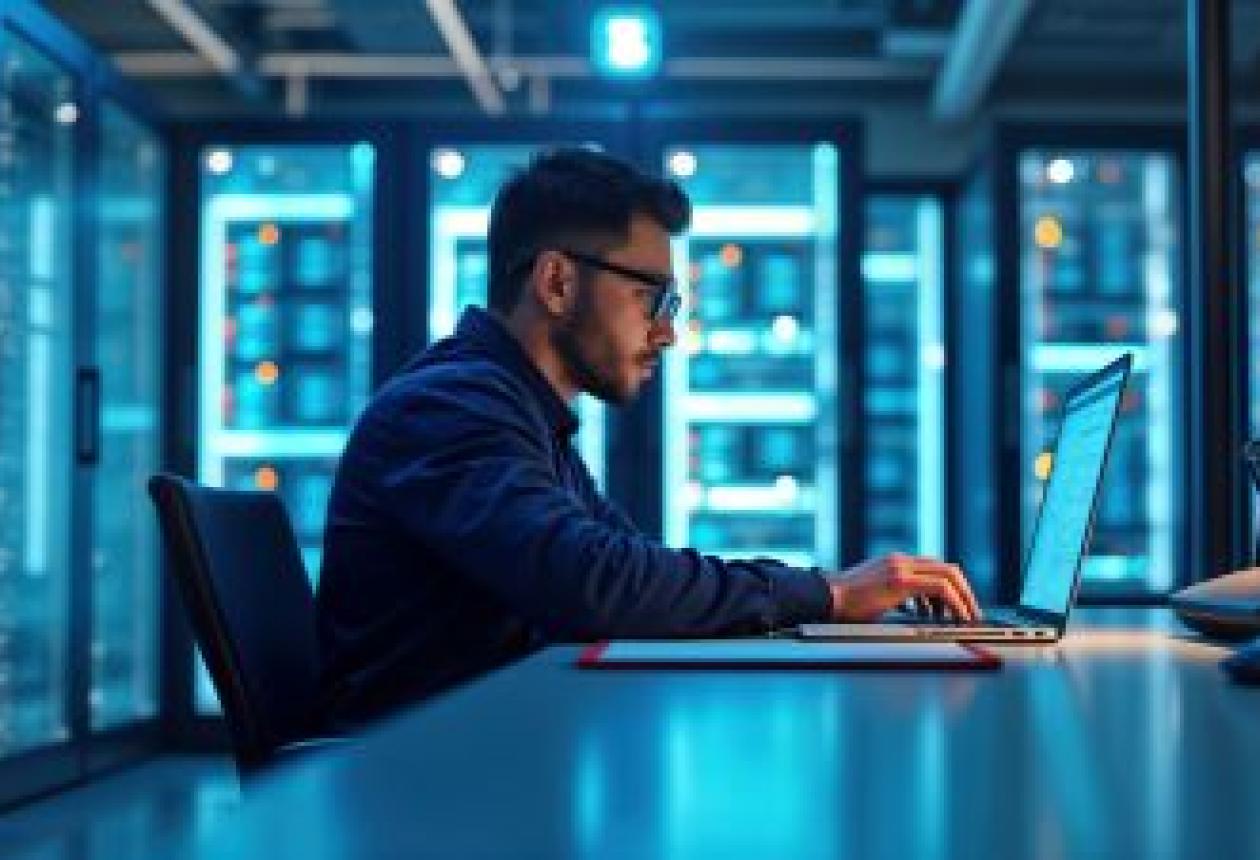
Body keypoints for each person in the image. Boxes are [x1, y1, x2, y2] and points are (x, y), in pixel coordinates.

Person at [315, 147, 979, 729]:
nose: (667, 333)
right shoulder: (452, 405)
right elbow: (594, 585)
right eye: (653, 300)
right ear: (556, 281)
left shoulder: (518, 415)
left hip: (488, 756)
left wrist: (817, 592)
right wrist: (828, 595)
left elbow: (629, 567)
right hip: (425, 790)